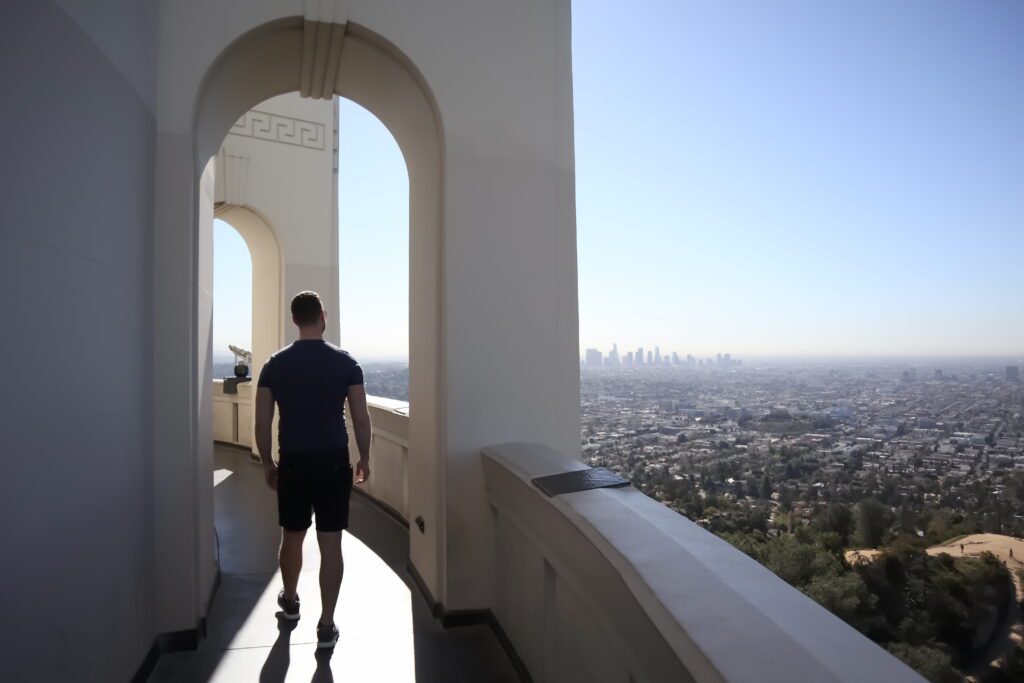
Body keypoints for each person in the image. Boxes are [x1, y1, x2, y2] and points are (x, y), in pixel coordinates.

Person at [254, 290, 372, 650]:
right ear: (322, 316)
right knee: (331, 540)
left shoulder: (274, 364)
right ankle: (326, 623)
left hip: (295, 460)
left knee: (292, 535)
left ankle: (290, 604)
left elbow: (261, 423)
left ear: (294, 319)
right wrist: (364, 458)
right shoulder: (346, 362)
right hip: (334, 460)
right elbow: (361, 418)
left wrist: (268, 463)